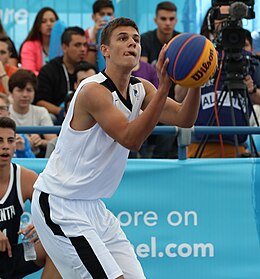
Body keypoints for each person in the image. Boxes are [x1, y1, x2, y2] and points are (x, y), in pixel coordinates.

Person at [31, 17, 201, 278]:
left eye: (136, 39)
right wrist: (165, 85)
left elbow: (184, 118)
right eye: (123, 38)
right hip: (60, 203)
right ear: (105, 50)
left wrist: (197, 82)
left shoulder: (141, 88)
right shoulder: (93, 91)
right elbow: (130, 139)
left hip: (93, 207)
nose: (132, 42)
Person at [175, 8, 260, 158]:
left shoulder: (247, 60)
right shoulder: (199, 55)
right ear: (211, 22)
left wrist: (252, 90)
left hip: (237, 146)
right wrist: (196, 71)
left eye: (230, 16)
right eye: (221, 17)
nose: (226, 21)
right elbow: (178, 96)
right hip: (200, 144)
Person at [0, 117, 61, 278]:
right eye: (0, 140)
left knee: (59, 246)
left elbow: (54, 213)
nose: (5, 146)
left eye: (10, 140)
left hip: (11, 255)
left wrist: (41, 222)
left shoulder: (25, 178)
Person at [141, 1, 180, 159]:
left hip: (172, 101)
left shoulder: (181, 42)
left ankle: (160, 165)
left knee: (170, 132)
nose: (167, 23)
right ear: (155, 20)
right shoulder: (145, 40)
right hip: (148, 101)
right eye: (163, 19)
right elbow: (142, 74)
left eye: (171, 19)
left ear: (176, 20)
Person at [34, 26, 87, 124]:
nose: (83, 49)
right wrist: (63, 112)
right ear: (64, 47)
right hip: (58, 117)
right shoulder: (49, 70)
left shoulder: (88, 70)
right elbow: (40, 101)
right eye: (77, 45)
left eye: (84, 45)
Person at [8, 69, 57, 157]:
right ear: (11, 93)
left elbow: (54, 141)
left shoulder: (41, 111)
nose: (25, 95)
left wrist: (39, 142)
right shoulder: (4, 112)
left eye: (29, 90)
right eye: (20, 90)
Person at [19, 7, 59, 76]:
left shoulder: (62, 46)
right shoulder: (29, 46)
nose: (49, 24)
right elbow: (29, 73)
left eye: (52, 21)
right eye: (44, 21)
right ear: (38, 26)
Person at [0, 92, 35, 158]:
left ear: (8, 113)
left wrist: (22, 152)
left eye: (1, 108)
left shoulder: (20, 138)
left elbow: (32, 164)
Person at [85, 0, 115, 67]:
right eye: (102, 14)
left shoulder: (118, 36)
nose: (106, 18)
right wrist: (93, 37)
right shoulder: (84, 36)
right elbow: (87, 66)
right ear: (93, 17)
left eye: (109, 14)